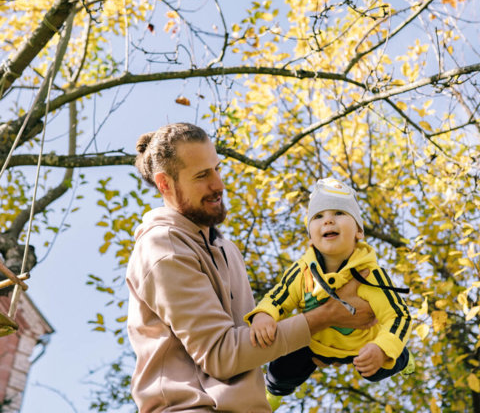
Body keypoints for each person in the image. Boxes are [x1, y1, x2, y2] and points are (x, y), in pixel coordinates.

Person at [126, 123, 375, 413]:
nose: (218, 184)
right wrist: (324, 316)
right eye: (202, 175)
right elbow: (221, 355)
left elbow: (248, 349)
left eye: (217, 169)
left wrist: (319, 345)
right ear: (165, 184)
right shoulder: (163, 248)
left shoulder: (225, 249)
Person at [245, 178, 414, 411]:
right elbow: (279, 297)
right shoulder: (303, 271)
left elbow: (399, 316)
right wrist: (264, 314)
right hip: (316, 343)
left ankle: (403, 359)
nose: (328, 219)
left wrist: (382, 349)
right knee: (281, 370)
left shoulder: (370, 275)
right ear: (310, 236)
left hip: (363, 345)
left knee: (378, 368)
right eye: (318, 216)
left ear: (359, 231)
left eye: (339, 213)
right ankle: (272, 394)